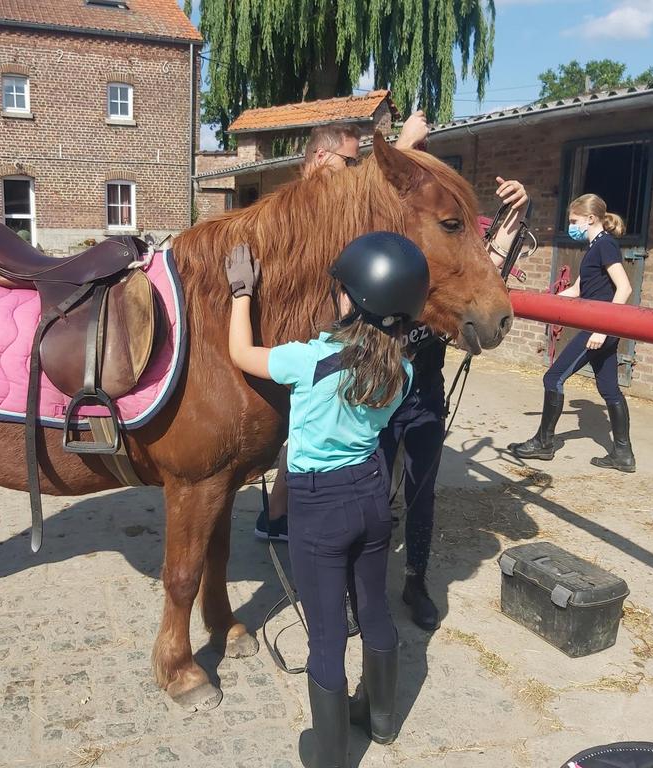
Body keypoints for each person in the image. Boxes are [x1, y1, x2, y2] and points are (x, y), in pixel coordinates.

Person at [225, 232, 430, 768]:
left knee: (326, 633)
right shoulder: (404, 371)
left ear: (352, 300)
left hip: (319, 505)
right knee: (374, 608)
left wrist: (241, 293)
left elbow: (241, 354)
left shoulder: (308, 359)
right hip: (371, 493)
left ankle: (330, 755)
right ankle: (382, 720)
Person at [254, 111, 430, 542]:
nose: (355, 172)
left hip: (311, 336)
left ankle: (278, 515)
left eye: (359, 163)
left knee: (307, 423)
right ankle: (287, 515)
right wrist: (400, 152)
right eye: (350, 162)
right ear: (318, 157)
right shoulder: (306, 201)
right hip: (301, 338)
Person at [381, 176, 531, 631]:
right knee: (368, 495)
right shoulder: (395, 264)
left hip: (425, 394)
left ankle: (416, 580)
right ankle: (359, 585)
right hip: (379, 397)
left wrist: (516, 215)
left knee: (422, 492)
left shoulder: (451, 271)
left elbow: (489, 260)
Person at [509, 193, 635, 472]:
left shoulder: (606, 246)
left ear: (591, 219)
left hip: (600, 328)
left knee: (553, 377)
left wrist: (603, 328)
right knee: (609, 389)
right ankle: (623, 455)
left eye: (574, 220)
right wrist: (543, 303)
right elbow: (577, 290)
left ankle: (544, 443)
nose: (571, 225)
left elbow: (624, 288)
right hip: (602, 328)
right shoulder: (593, 248)